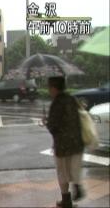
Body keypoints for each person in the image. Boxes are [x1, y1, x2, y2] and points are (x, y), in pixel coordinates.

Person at [44, 76, 85, 208]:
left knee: (62, 172)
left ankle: (66, 200)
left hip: (62, 145)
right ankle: (77, 185)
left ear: (54, 88)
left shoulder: (57, 103)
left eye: (49, 87)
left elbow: (53, 126)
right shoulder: (72, 99)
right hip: (77, 141)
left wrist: (46, 122)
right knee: (74, 169)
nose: (49, 90)